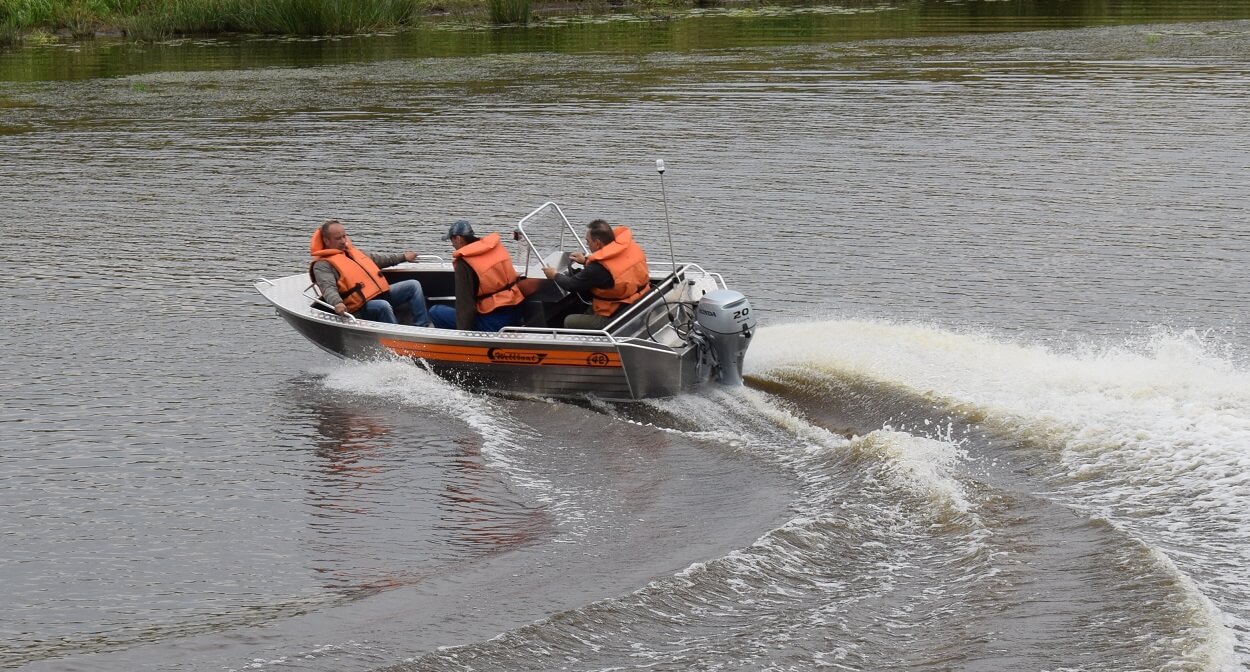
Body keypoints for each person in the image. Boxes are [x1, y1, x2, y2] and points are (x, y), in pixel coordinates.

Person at [309, 219, 432, 326]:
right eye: (338, 238)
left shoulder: (353, 252)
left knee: (413, 285)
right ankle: (397, 341)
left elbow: (380, 260)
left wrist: (404, 257)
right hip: (360, 307)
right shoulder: (323, 265)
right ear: (326, 240)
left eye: (344, 236)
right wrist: (338, 303)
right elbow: (328, 288)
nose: (343, 241)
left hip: (380, 294)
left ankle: (422, 326)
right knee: (383, 306)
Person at [542, 219, 650, 330]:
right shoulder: (629, 248)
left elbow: (572, 285)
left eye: (588, 241)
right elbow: (614, 264)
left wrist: (554, 275)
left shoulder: (597, 269)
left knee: (568, 320)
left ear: (598, 243)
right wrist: (585, 260)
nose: (587, 244)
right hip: (640, 303)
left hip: (615, 318)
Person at [430, 220, 525, 332]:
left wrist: (463, 334)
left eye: (452, 240)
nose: (452, 244)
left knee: (435, 312)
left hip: (494, 323)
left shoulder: (463, 263)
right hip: (517, 312)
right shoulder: (494, 248)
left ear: (458, 238)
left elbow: (466, 305)